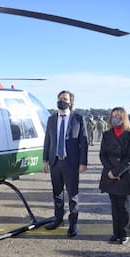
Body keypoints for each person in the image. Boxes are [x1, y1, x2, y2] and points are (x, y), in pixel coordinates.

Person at [43, 90, 88, 237]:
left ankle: (73, 224)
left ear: (71, 102)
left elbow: (84, 142)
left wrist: (83, 162)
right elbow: (47, 141)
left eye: (65, 99)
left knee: (72, 195)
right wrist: (45, 160)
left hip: (71, 163)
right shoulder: (51, 119)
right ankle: (58, 219)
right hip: (55, 162)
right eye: (60, 98)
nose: (61, 101)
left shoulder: (78, 119)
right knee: (57, 194)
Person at [99, 107, 130, 245]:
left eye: (118, 116)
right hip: (109, 174)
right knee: (114, 205)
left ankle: (124, 233)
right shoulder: (107, 134)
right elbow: (103, 154)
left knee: (123, 206)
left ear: (124, 118)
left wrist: (117, 172)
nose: (115, 118)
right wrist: (110, 171)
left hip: (124, 174)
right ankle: (116, 232)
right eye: (113, 116)